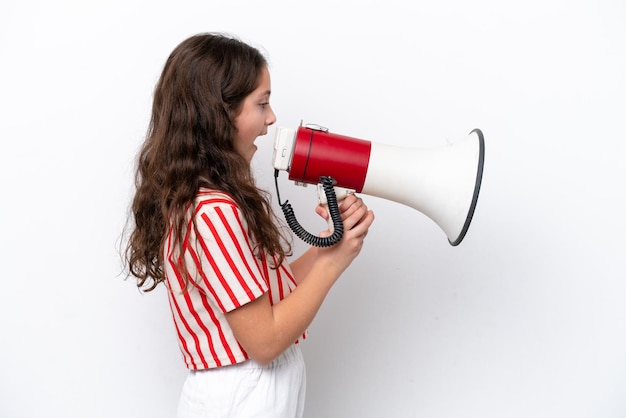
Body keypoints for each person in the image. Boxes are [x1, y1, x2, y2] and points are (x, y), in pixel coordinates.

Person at [124, 32, 375, 418]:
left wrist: (330, 245)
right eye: (262, 104)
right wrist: (333, 263)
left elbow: (259, 293)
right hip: (243, 394)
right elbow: (265, 340)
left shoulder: (204, 201)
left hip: (243, 392)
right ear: (218, 113)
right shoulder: (215, 211)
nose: (271, 119)